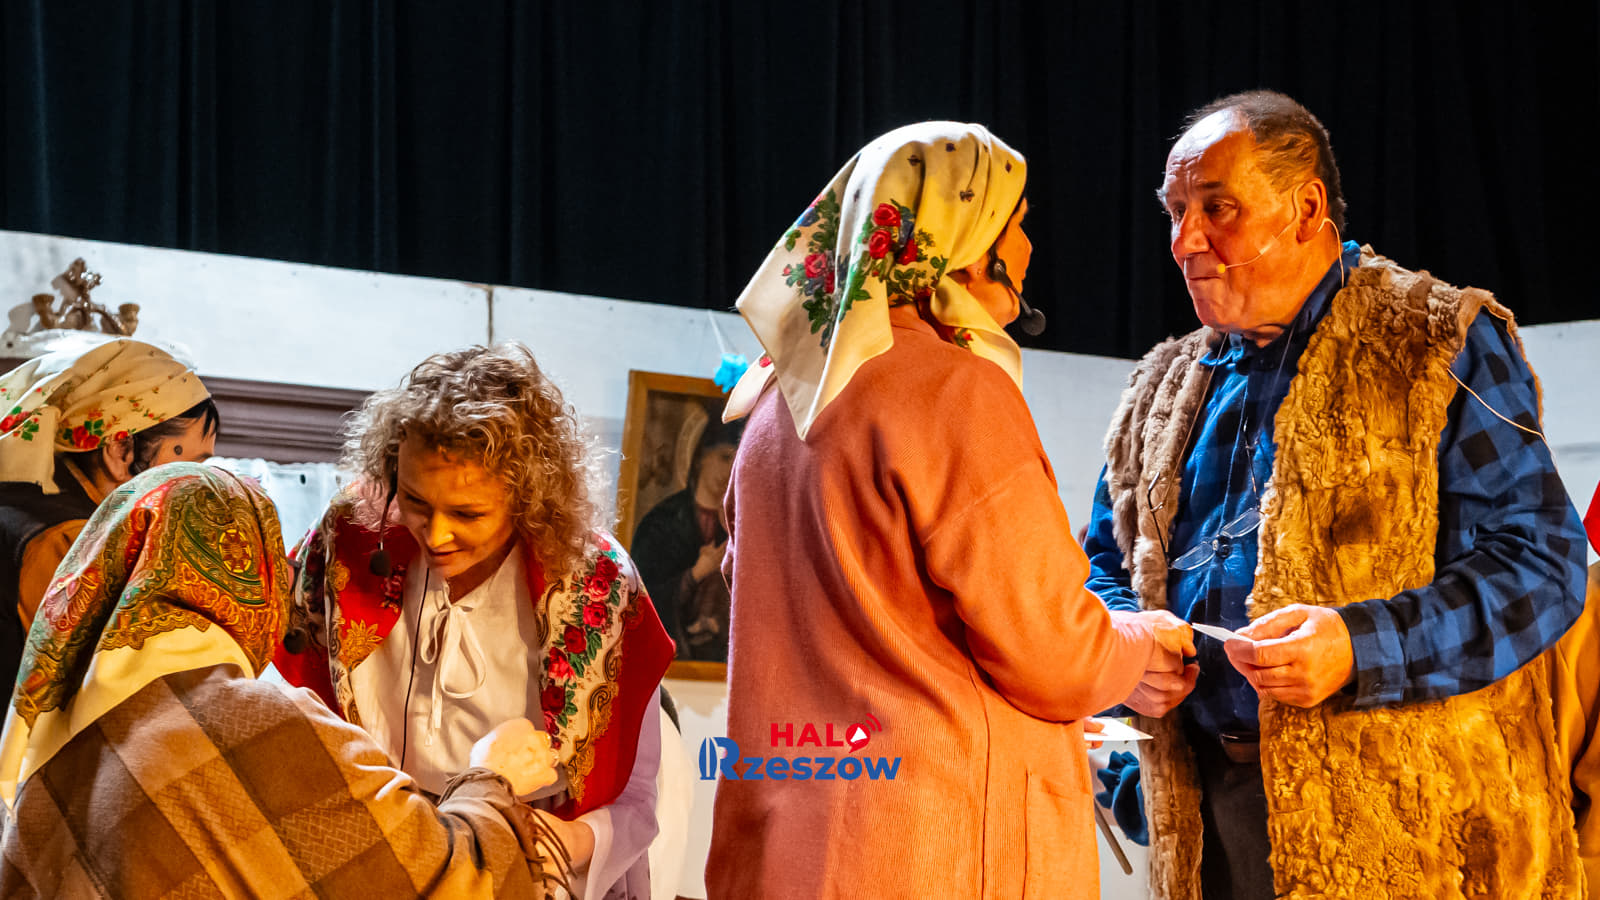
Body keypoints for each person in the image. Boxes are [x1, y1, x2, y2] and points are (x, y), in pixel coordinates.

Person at [1082, 89, 1588, 899]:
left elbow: (1542, 568)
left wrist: (1359, 646)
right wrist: (1125, 650)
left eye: (1217, 207)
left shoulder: (1433, 340)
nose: (1184, 240)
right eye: (1175, 212)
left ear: (1307, 208)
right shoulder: (1160, 386)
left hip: (1411, 836)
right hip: (1209, 824)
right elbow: (1101, 566)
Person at [705, 121, 1192, 899]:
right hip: (928, 851)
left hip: (787, 845)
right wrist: (1141, 645)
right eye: (1016, 222)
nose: (1029, 247)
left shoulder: (776, 405)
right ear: (965, 242)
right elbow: (1054, 649)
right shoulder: (952, 391)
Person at [0, 463, 577, 897]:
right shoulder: (260, 724)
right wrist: (491, 777)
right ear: (250, 574)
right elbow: (445, 882)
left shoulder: (48, 765)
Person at [274, 343, 674, 899]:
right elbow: (291, 714)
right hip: (370, 861)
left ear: (529, 497)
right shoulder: (350, 538)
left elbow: (635, 795)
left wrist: (572, 841)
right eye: (416, 501)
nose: (437, 535)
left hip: (522, 869)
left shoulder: (596, 583)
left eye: (467, 514)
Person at [0, 337, 218, 688]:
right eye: (190, 465)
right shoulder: (69, 541)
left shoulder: (30, 506)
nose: (196, 486)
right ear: (120, 449)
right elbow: (101, 690)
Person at [630, 417, 740, 660]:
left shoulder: (739, 526)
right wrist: (695, 575)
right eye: (724, 457)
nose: (729, 470)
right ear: (700, 457)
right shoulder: (662, 522)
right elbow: (641, 599)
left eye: (736, 460)